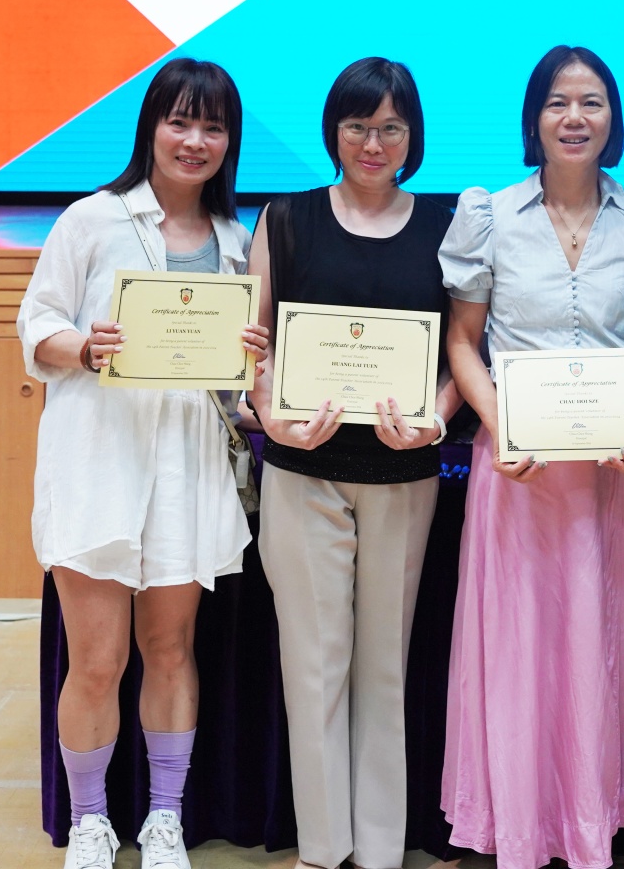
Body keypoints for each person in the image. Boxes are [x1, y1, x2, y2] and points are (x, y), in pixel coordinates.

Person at [438, 45, 624, 869]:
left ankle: (592, 819)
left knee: (602, 645)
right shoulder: (489, 216)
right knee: (518, 648)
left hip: (611, 474)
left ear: (613, 117)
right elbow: (463, 341)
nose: (574, 118)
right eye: (557, 102)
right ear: (533, 119)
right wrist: (503, 424)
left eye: (591, 102)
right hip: (518, 472)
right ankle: (517, 821)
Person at [17, 58, 271, 869]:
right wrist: (84, 347)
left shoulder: (237, 242)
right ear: (151, 128)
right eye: (180, 121)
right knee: (98, 660)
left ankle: (165, 818)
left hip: (188, 468)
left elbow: (239, 383)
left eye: (213, 127)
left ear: (230, 143)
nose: (195, 141)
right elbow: (36, 325)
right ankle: (91, 822)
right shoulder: (92, 220)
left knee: (170, 651)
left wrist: (254, 359)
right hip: (99, 462)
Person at [245, 58, 462, 869]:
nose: (374, 143)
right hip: (302, 470)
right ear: (334, 131)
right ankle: (322, 848)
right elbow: (254, 344)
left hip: (403, 476)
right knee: (313, 665)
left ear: (413, 135)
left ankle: (378, 850)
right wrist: (271, 414)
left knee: (385, 667)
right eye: (358, 126)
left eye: (391, 127)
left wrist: (437, 419)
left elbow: (463, 350)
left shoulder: (446, 226)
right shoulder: (286, 218)